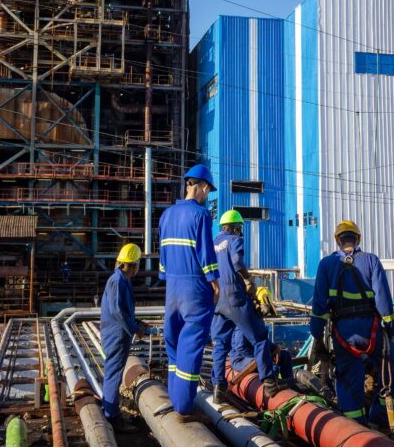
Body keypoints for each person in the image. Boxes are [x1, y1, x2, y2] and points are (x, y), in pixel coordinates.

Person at [309, 220, 394, 426]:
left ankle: (356, 426)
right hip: (372, 330)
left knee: (349, 378)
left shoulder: (326, 264)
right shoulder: (371, 261)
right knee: (389, 367)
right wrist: (390, 327)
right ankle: (381, 416)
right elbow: (384, 299)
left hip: (343, 333)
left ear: (337, 240)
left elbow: (319, 306)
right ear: (358, 239)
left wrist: (317, 334)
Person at [158, 164, 220, 418]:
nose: (207, 195)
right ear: (203, 187)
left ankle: (175, 399)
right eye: (208, 191)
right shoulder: (201, 215)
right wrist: (214, 282)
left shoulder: (166, 215)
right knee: (191, 349)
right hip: (195, 290)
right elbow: (206, 254)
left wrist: (169, 278)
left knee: (174, 347)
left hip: (172, 290)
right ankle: (184, 407)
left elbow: (162, 261)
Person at [209, 210, 283, 403]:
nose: (240, 232)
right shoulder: (234, 240)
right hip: (235, 298)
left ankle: (218, 388)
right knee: (259, 338)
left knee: (220, 345)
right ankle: (268, 383)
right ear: (235, 227)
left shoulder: (213, 243)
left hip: (218, 301)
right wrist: (248, 279)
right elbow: (236, 261)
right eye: (240, 228)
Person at [100, 243, 148, 432]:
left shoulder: (123, 280)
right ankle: (112, 416)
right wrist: (134, 329)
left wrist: (138, 322)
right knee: (113, 374)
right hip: (116, 335)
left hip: (119, 333)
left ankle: (109, 409)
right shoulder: (117, 281)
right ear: (133, 265)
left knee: (115, 372)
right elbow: (118, 312)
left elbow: (124, 310)